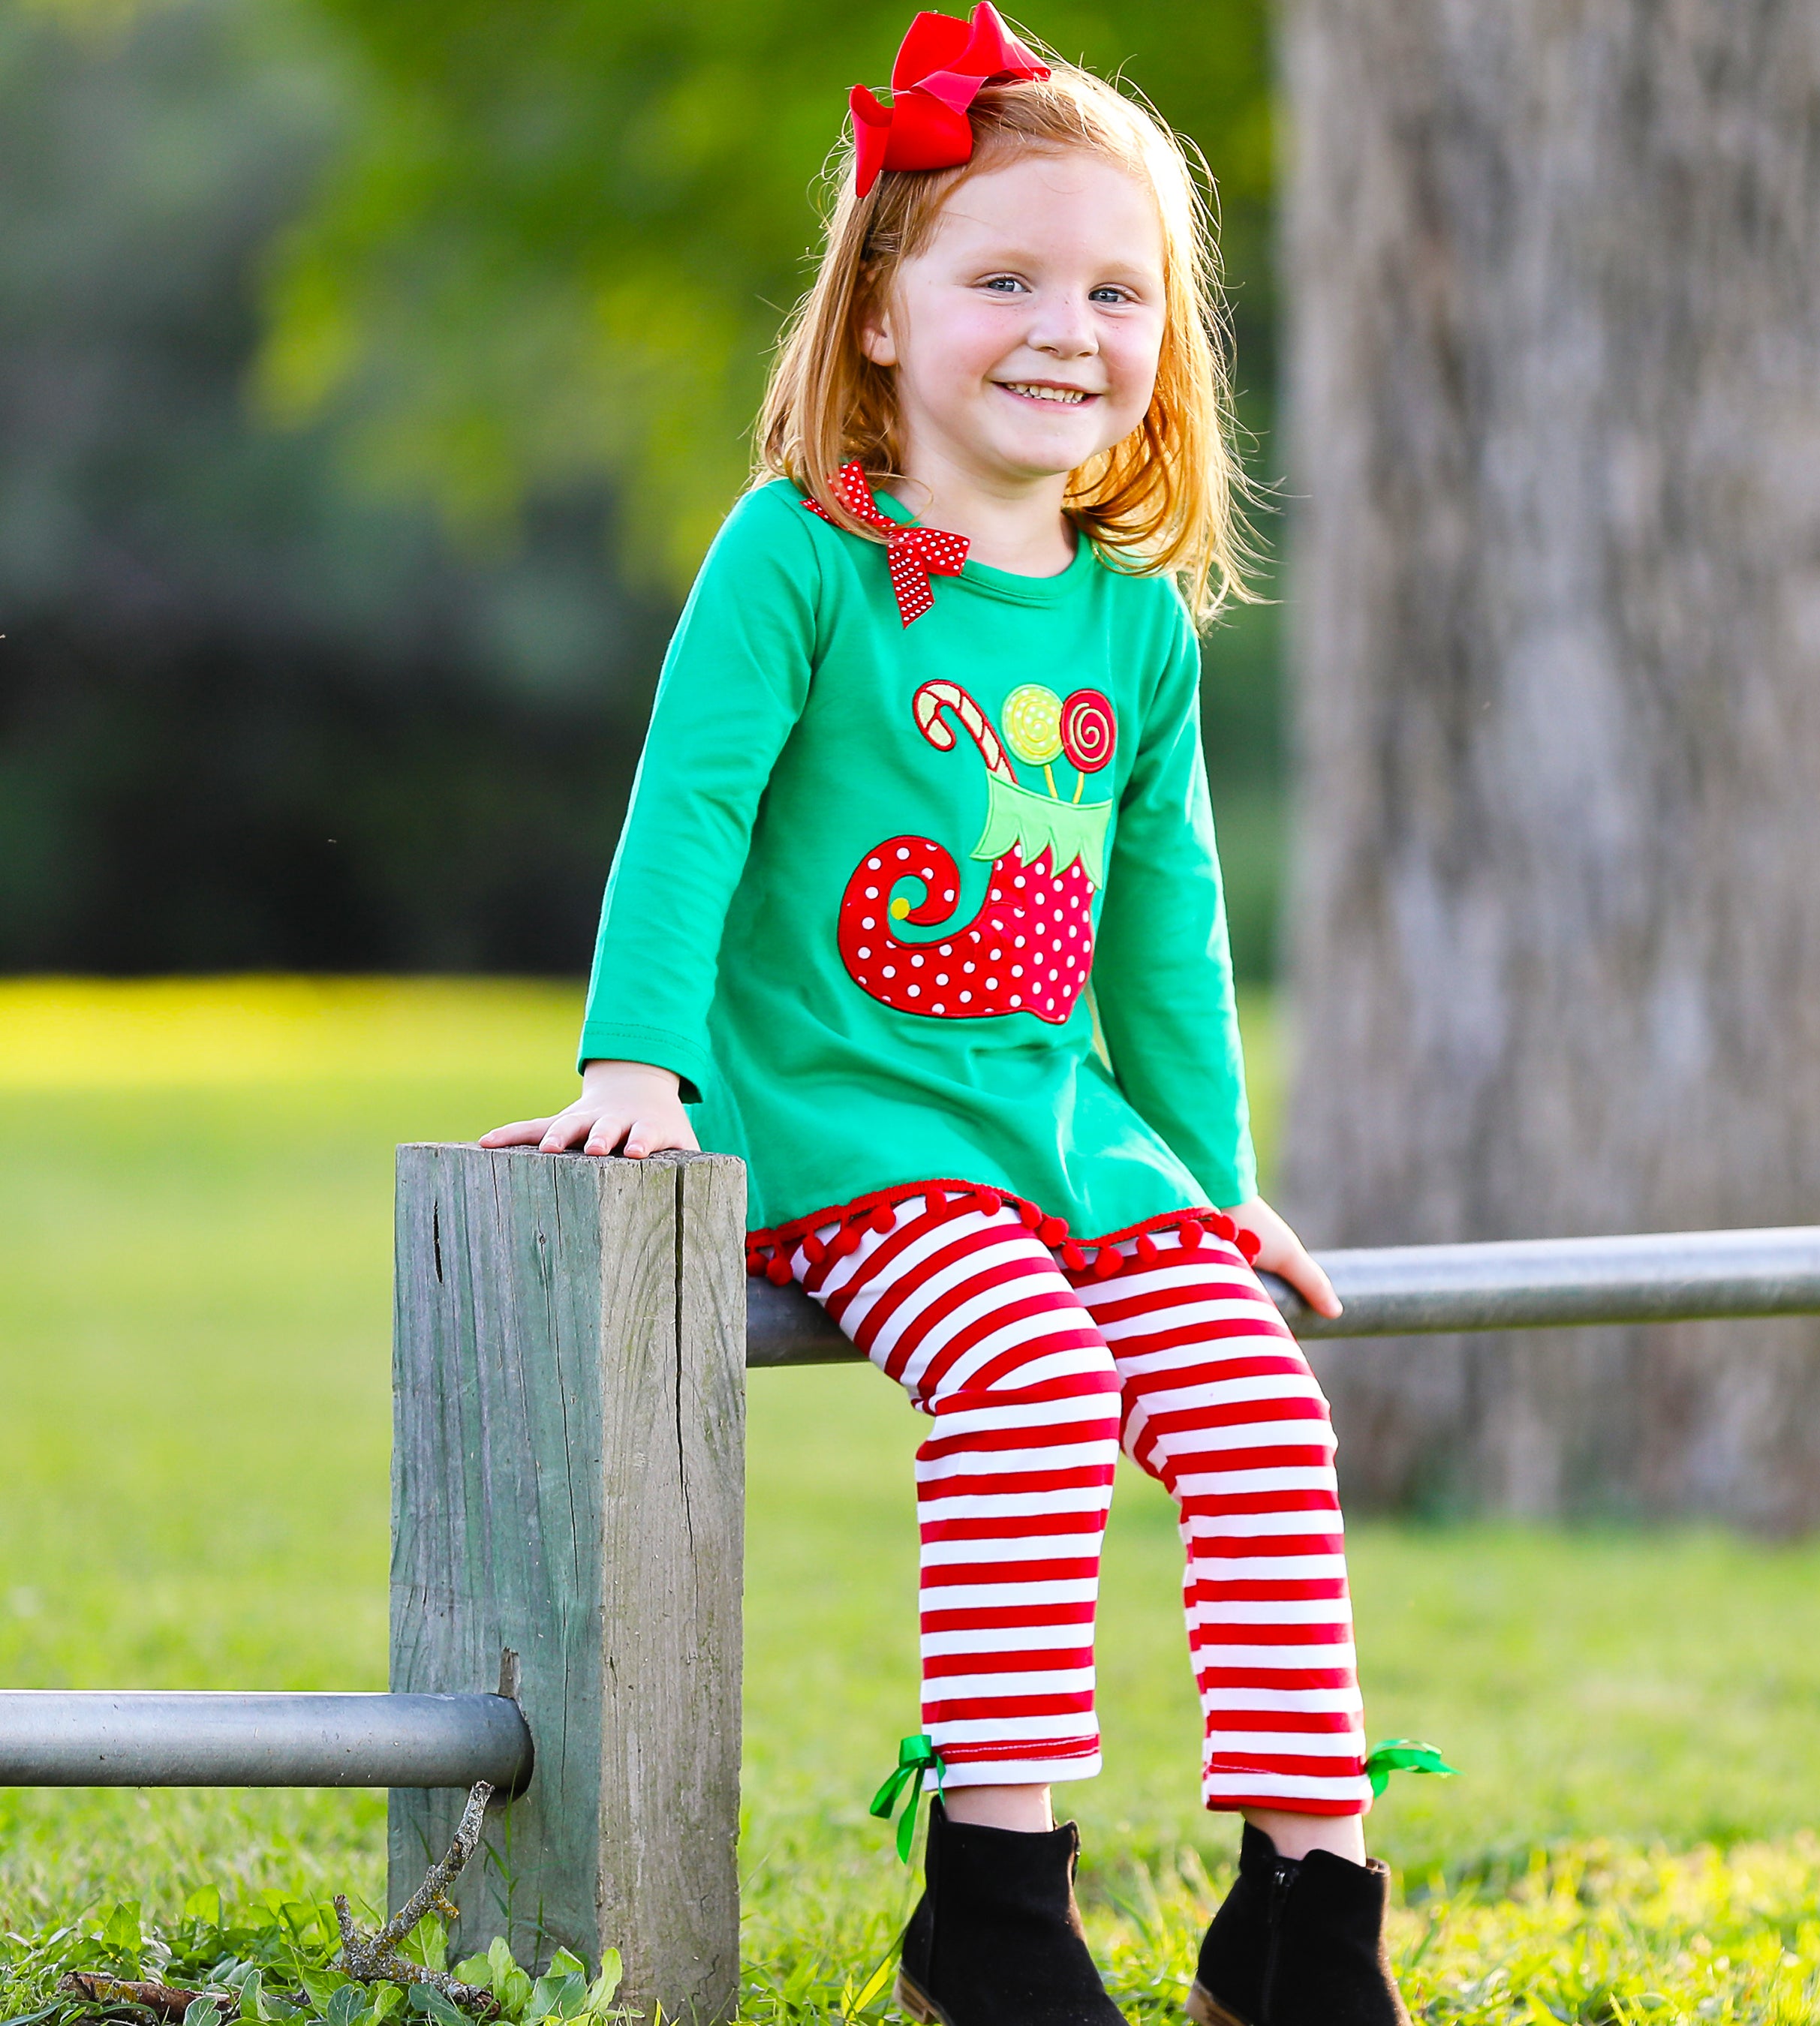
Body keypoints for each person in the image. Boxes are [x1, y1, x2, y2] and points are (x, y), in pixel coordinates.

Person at [484, 11, 1420, 2023]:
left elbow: (1167, 923)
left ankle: (1304, 1904)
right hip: (850, 1122)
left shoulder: (1128, 615)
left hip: (1061, 1133)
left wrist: (1219, 1182)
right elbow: (693, 809)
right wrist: (631, 1063)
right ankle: (991, 1901)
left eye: (1115, 288)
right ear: (883, 313)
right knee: (1036, 1383)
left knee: (1257, 1405)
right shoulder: (796, 558)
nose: (1062, 326)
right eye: (1001, 276)